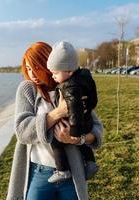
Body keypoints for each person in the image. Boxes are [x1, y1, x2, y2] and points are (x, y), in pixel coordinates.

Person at [6, 41, 103, 200]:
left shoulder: (70, 86)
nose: (32, 74)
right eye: (28, 69)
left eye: (36, 68)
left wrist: (78, 139)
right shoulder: (28, 89)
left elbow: (96, 128)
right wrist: (58, 112)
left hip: (72, 172)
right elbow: (22, 132)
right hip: (39, 172)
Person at [46, 41, 99, 183]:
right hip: (86, 121)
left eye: (55, 73)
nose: (53, 77)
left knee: (56, 142)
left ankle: (63, 170)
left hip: (76, 124)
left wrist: (75, 131)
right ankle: (91, 162)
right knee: (81, 143)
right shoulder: (85, 77)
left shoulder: (70, 86)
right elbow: (94, 99)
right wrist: (90, 107)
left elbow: (74, 107)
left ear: (69, 71)